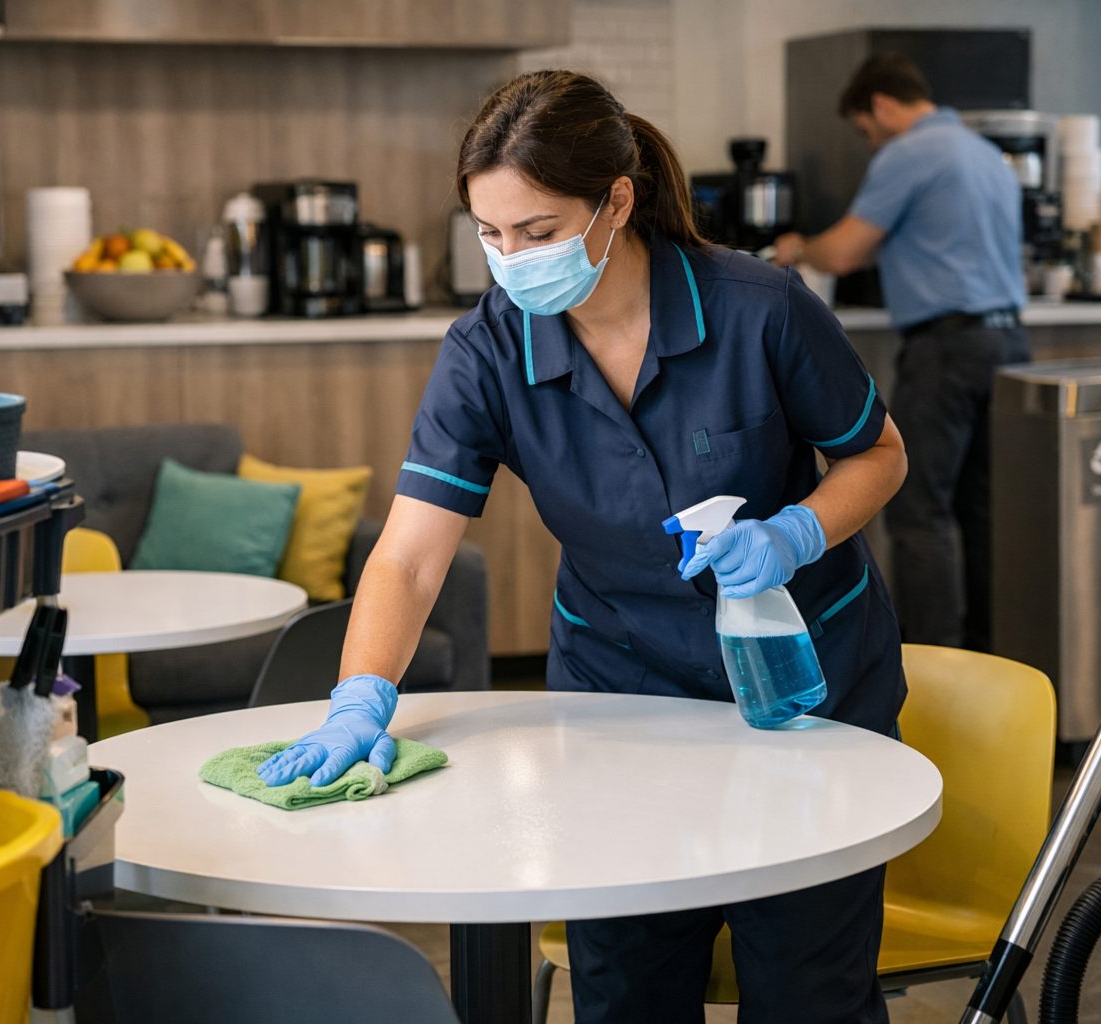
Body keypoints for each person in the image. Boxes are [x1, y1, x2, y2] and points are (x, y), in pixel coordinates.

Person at [257, 69, 908, 1024]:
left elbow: (879, 454)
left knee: (806, 997)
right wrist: (361, 696)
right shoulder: (488, 350)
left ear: (617, 202)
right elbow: (409, 557)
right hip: (619, 702)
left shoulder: (759, 307)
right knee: (626, 992)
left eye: (539, 231)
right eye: (490, 234)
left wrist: (795, 531)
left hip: (802, 687)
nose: (512, 260)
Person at [772, 52, 1027, 652]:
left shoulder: (909, 152)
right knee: (983, 508)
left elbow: (844, 253)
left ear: (882, 105)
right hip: (1010, 344)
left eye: (865, 130)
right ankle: (990, 655)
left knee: (918, 509)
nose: (870, 143)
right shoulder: (985, 154)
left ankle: (936, 653)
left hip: (947, 347)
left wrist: (798, 248)